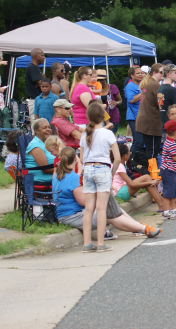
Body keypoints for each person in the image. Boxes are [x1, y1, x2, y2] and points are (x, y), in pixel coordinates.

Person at [54, 146, 161, 239]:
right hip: (73, 216)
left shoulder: (57, 176)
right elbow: (83, 201)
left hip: (66, 215)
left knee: (112, 208)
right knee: (110, 215)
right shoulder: (73, 178)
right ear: (75, 159)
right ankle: (143, 229)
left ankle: (138, 227)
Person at [79, 102, 120, 252]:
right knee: (101, 209)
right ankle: (101, 243)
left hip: (88, 169)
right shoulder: (107, 133)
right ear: (103, 116)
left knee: (89, 209)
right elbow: (117, 158)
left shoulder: (85, 134)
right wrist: (112, 173)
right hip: (102, 168)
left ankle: (87, 243)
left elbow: (82, 158)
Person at [110, 143, 164, 209]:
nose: (129, 155)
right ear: (125, 156)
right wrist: (150, 182)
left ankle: (161, 202)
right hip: (119, 193)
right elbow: (131, 184)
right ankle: (161, 203)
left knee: (146, 178)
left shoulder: (112, 164)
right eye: (128, 153)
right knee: (147, 178)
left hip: (118, 191)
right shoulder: (119, 166)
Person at [134, 63, 164, 160]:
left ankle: (149, 171)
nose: (163, 74)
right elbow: (161, 104)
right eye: (161, 72)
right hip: (151, 122)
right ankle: (151, 172)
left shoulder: (149, 83)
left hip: (146, 120)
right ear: (154, 73)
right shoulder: (155, 85)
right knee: (153, 152)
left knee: (150, 150)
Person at [159, 120, 176, 219]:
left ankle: (173, 210)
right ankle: (166, 211)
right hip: (168, 170)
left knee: (173, 191)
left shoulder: (172, 141)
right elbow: (175, 157)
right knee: (168, 192)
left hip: (172, 170)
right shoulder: (171, 143)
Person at [25, 118, 56, 193]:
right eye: (44, 128)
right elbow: (45, 169)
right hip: (41, 182)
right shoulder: (36, 146)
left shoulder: (44, 144)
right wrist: (65, 170)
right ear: (36, 131)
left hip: (52, 178)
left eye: (49, 127)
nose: (48, 129)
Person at [124, 66, 144, 139]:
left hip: (142, 116)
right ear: (132, 75)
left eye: (141, 73)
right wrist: (143, 92)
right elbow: (131, 100)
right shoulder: (130, 86)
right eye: (138, 73)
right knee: (137, 140)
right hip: (133, 116)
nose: (141, 74)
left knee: (142, 140)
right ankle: (133, 151)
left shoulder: (141, 85)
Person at [25, 48, 45, 118]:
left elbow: (41, 84)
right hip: (35, 101)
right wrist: (42, 83)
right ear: (36, 56)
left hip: (38, 100)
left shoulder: (36, 68)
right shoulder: (32, 68)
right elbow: (42, 85)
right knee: (37, 126)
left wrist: (41, 82)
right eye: (42, 55)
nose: (44, 57)